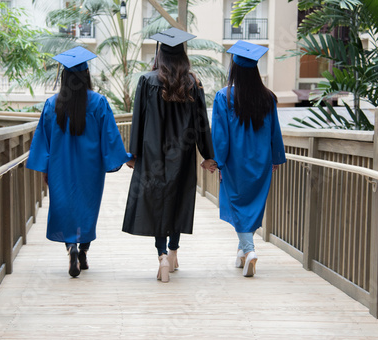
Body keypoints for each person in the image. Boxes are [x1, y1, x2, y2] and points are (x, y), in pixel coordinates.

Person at [26, 46, 132, 278]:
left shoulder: (52, 104)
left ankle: (71, 247)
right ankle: (83, 251)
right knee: (86, 208)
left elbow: (43, 140)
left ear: (64, 77)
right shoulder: (98, 102)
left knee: (64, 206)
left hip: (59, 168)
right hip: (90, 169)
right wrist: (121, 158)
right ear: (86, 75)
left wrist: (45, 168)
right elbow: (110, 136)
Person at [122, 28, 216, 283]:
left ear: (159, 53)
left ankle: (162, 254)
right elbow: (201, 124)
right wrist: (207, 154)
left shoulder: (147, 81)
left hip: (153, 154)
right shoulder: (193, 84)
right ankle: (174, 252)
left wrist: (134, 154)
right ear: (182, 55)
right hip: (182, 155)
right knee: (178, 199)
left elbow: (138, 120)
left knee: (157, 201)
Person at [211, 41, 286, 278]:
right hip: (261, 163)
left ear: (234, 69)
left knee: (237, 205)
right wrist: (275, 158)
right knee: (251, 207)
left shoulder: (224, 97)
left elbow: (220, 136)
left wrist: (218, 161)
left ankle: (251, 251)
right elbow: (275, 132)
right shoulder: (268, 98)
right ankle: (242, 252)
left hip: (235, 163)